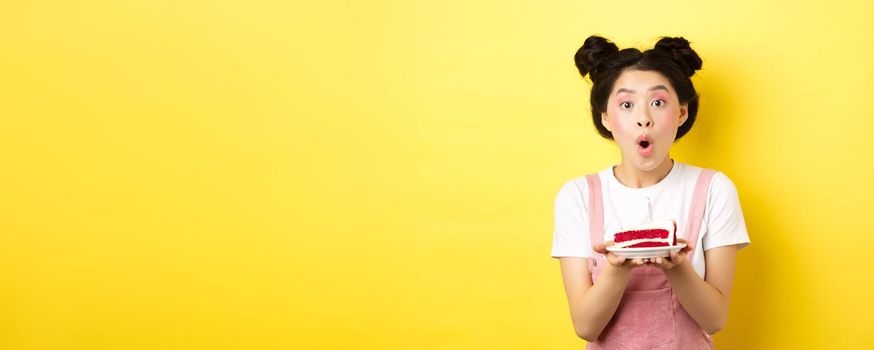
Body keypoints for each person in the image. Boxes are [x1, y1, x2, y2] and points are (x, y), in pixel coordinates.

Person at [550, 35, 751, 349]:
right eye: (626, 104)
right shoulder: (577, 196)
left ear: (682, 112)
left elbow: (715, 320)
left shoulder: (714, 189)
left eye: (658, 102)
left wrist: (678, 267)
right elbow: (585, 326)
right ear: (605, 117)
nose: (644, 117)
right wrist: (617, 269)